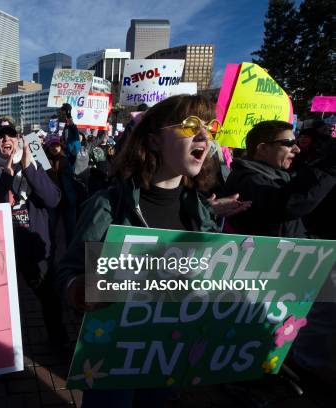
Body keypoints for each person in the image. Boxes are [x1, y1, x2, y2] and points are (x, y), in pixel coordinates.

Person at [56, 95, 249, 407]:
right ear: (155, 141)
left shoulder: (199, 211)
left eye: (209, 128)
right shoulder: (108, 205)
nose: (204, 136)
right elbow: (68, 274)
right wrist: (80, 290)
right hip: (115, 357)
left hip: (169, 355)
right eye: (189, 126)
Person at [0, 118, 67, 348]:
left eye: (10, 134)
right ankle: (3, 353)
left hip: (33, 244)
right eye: (0, 135)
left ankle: (59, 343)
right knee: (1, 301)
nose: (6, 139)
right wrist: (5, 177)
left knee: (48, 297)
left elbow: (53, 199)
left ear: (18, 138)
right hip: (1, 246)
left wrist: (29, 169)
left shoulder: (34, 161)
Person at [223, 120, 336, 238]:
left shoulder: (277, 174)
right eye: (288, 143)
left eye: (296, 142)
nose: (297, 149)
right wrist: (329, 167)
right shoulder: (247, 180)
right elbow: (287, 204)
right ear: (263, 149)